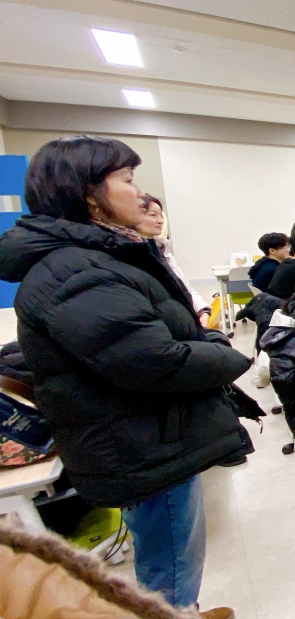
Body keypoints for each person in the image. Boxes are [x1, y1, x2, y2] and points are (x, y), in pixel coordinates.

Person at [0, 136, 250, 617]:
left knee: (170, 553)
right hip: (142, 441)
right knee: (169, 566)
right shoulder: (75, 270)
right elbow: (153, 359)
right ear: (88, 193)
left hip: (145, 433)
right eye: (128, 180)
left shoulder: (93, 258)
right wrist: (223, 351)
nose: (140, 193)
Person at [136, 194, 210, 321]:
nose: (160, 220)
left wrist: (203, 310)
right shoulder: (133, 255)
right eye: (153, 215)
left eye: (161, 215)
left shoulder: (163, 251)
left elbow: (184, 287)